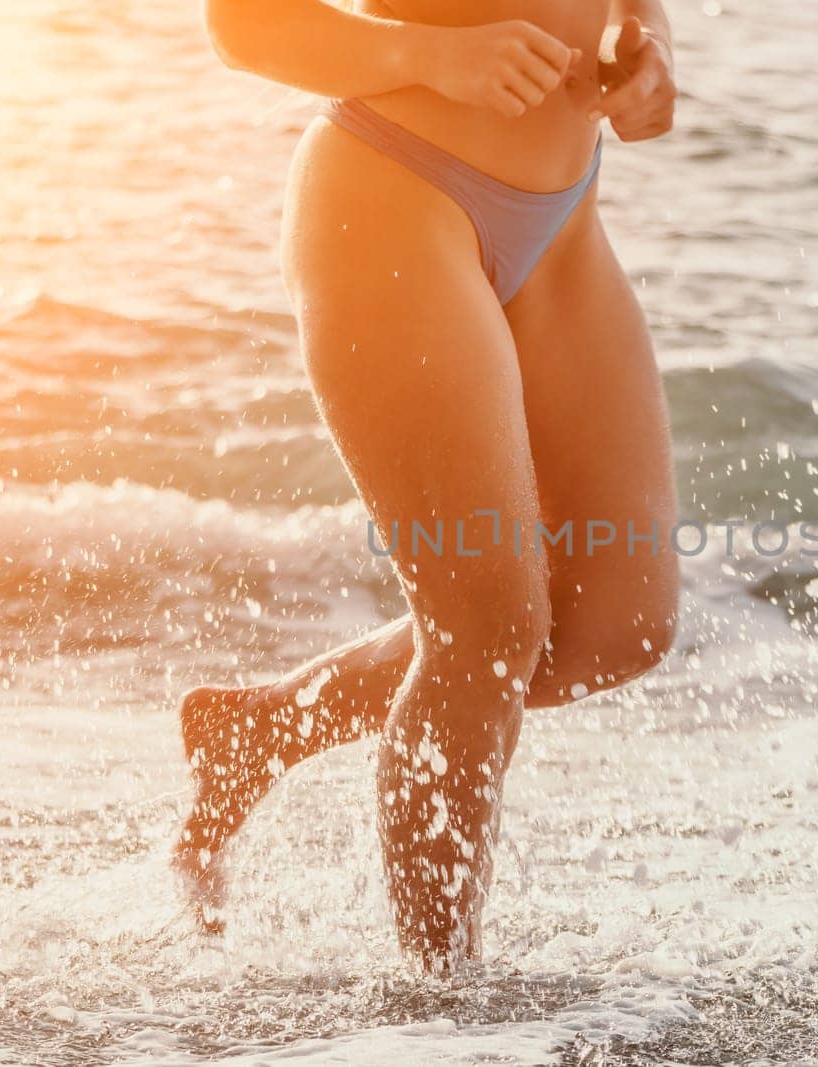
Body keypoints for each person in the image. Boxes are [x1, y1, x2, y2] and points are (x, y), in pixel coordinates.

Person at [173, 0, 681, 973]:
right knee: (486, 631)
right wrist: (428, 56)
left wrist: (649, 45)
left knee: (619, 620)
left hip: (566, 211)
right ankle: (441, 1004)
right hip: (396, 190)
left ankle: (262, 725)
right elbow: (240, 24)